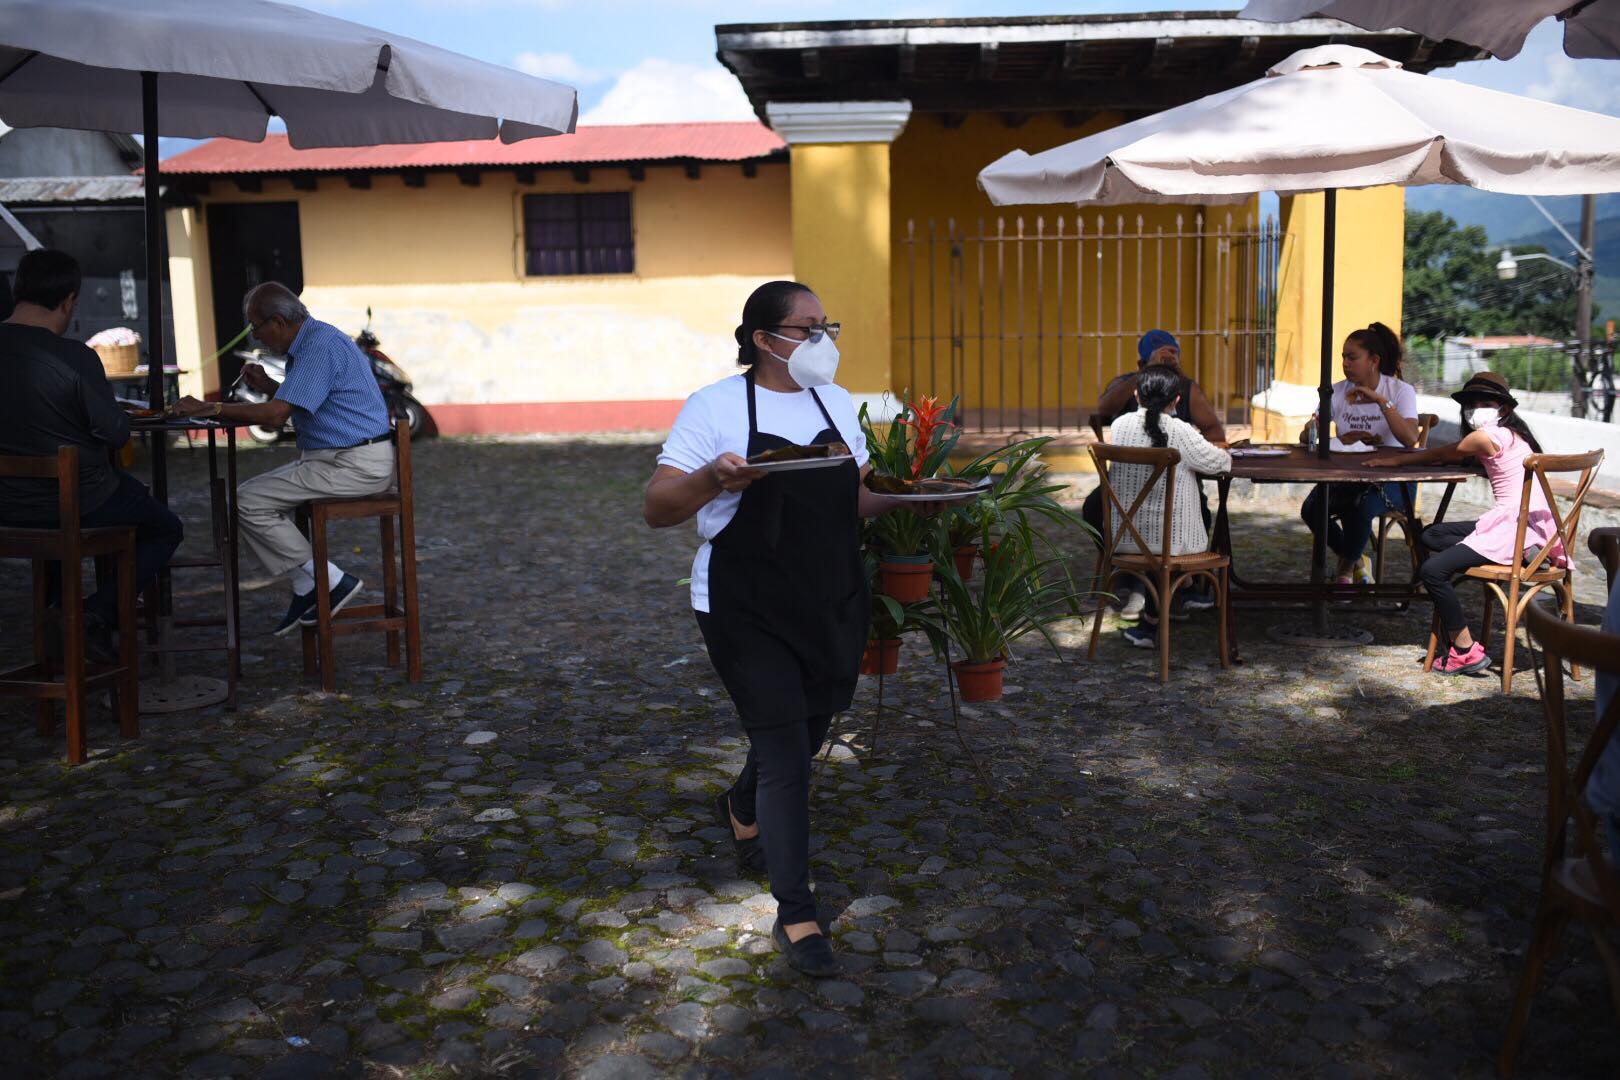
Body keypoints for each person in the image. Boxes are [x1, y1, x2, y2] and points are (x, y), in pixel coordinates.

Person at [643, 280, 933, 979]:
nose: (822, 340)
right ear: (762, 339)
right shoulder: (714, 407)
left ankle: (740, 804)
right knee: (786, 756)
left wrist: (917, 497)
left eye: (826, 325)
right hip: (744, 604)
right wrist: (715, 479)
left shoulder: (836, 404)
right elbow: (657, 508)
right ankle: (796, 912)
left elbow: (853, 496)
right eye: (808, 328)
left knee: (807, 728)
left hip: (828, 595)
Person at [172, 283, 394, 635]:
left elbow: (277, 416)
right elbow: (304, 400)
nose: (257, 338)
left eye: (255, 328)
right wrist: (268, 386)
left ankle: (330, 580)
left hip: (355, 465)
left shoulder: (319, 347)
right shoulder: (313, 341)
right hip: (340, 459)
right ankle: (307, 584)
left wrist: (210, 407)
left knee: (247, 500)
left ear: (276, 321)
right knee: (249, 497)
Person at [0, 248, 182, 663]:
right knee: (165, 527)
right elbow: (117, 434)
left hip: (6, 508)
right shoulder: (76, 357)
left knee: (54, 540)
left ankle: (57, 622)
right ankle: (92, 615)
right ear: (68, 301)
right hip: (79, 501)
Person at [1362, 372, 1555, 676]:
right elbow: (1464, 457)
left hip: (1510, 528)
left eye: (1485, 403)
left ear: (1503, 409)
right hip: (1529, 527)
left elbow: (1439, 453)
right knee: (1431, 535)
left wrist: (1394, 462)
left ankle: (1464, 650)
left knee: (1432, 570)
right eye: (1471, 403)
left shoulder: (1484, 436)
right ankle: (1522, 549)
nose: (1475, 408)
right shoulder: (1517, 437)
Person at [1085, 330, 1226, 617]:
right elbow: (1098, 413)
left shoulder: (1183, 390)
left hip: (1173, 489)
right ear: (1139, 365)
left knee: (1197, 509)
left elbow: (1215, 431)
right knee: (1093, 508)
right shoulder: (1126, 386)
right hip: (1127, 489)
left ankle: (1148, 582)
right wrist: (1147, 374)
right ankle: (1136, 574)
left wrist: (1174, 377)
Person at [1098, 364, 1233, 649]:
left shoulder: (1119, 426)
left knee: (1155, 532)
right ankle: (1186, 588)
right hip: (1173, 545)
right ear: (1177, 401)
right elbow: (1221, 463)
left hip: (1125, 540)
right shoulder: (1180, 430)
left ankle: (1158, 616)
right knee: (1166, 536)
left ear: (1136, 395)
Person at [1298, 322, 1420, 587]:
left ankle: (1343, 573)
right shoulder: (1337, 391)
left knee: (1360, 508)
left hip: (1394, 481)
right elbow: (1308, 436)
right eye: (1343, 356)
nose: (1345, 363)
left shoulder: (1399, 391)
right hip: (1347, 478)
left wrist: (1379, 401)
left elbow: (1411, 439)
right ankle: (1356, 559)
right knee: (1311, 509)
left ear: (1374, 360)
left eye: (1352, 357)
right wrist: (1311, 429)